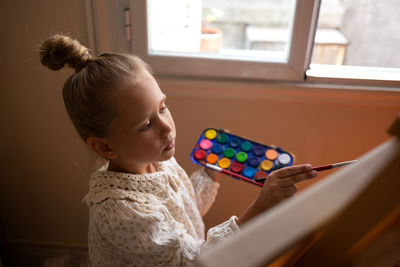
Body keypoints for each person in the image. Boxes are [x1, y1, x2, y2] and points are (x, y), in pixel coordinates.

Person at [40, 34, 318, 266]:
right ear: (105, 146)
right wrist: (263, 204)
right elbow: (199, 261)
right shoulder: (121, 213)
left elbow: (184, 208)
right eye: (147, 124)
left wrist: (210, 174)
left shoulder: (157, 161)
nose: (166, 128)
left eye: (163, 107)